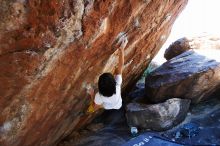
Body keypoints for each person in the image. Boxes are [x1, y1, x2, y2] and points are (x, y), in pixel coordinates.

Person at [87, 35, 128, 113]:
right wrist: (122, 49)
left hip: (107, 105)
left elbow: (94, 106)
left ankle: (88, 112)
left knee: (96, 107)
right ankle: (91, 110)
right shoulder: (118, 83)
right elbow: (120, 65)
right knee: (117, 70)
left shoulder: (99, 96)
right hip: (118, 103)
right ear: (114, 83)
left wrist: (92, 94)